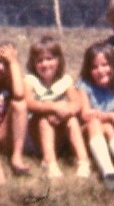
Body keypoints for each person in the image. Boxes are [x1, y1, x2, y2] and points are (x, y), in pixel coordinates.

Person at [25, 36, 93, 180]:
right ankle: (51, 163)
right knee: (44, 119)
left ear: (58, 60)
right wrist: (52, 107)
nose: (45, 64)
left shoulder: (65, 80)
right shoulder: (31, 80)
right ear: (33, 63)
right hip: (36, 134)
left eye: (49, 59)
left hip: (59, 133)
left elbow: (76, 103)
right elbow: (29, 103)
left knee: (72, 120)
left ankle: (83, 161)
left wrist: (64, 112)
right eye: (40, 61)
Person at [77, 42, 114, 189]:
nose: (101, 70)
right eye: (94, 67)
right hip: (85, 133)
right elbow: (85, 114)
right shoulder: (84, 86)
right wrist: (111, 116)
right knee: (95, 122)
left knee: (108, 127)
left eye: (105, 65)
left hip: (108, 135)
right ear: (88, 70)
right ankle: (108, 172)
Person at [0, 41, 33, 177]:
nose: (0, 68)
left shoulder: (12, 80)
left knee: (19, 105)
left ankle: (17, 156)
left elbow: (20, 94)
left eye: (5, 64)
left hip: (4, 133)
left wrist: (13, 63)